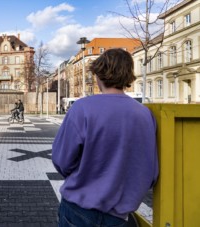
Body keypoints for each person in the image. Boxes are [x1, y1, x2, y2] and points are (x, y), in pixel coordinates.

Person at [52, 48, 158, 227]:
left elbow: (62, 160)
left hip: (79, 209)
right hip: (119, 215)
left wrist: (85, 175)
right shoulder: (145, 115)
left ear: (98, 74)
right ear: (128, 76)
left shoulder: (82, 108)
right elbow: (150, 171)